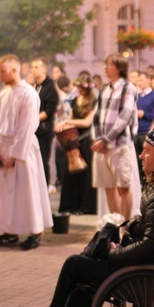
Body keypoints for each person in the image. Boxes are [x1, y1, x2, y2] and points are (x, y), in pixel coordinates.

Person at [27, 127, 154, 307]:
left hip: (147, 277)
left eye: (146, 151)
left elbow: (153, 245)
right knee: (97, 246)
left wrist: (113, 253)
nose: (140, 155)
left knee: (75, 266)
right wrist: (131, 227)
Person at [0, 55, 53, 250]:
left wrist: (15, 155)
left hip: (22, 149)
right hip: (3, 147)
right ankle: (10, 231)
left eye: (3, 71)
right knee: (6, 195)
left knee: (27, 191)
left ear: (14, 70)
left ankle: (35, 232)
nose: (0, 75)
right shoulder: (2, 95)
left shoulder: (28, 94)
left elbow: (27, 126)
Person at [91, 53, 138, 220]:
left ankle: (124, 228)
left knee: (123, 187)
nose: (105, 67)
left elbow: (125, 117)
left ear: (119, 67)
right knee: (108, 188)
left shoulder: (128, 88)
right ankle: (115, 225)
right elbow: (96, 116)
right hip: (102, 146)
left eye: (109, 64)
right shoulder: (104, 88)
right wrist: (98, 138)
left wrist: (105, 139)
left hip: (119, 144)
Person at [56, 77, 97, 215]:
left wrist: (68, 122)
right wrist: (64, 126)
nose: (78, 90)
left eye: (81, 87)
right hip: (74, 139)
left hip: (86, 140)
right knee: (71, 171)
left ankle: (85, 207)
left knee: (85, 173)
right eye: (78, 87)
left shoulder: (94, 101)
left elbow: (87, 122)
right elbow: (72, 119)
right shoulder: (75, 101)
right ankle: (71, 205)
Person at [30, 58, 59, 187]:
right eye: (32, 67)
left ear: (44, 69)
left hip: (44, 130)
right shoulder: (34, 87)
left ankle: (45, 188)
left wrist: (32, 119)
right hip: (33, 129)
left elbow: (49, 111)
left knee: (43, 160)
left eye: (36, 67)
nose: (33, 70)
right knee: (34, 161)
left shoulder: (50, 87)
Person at [133, 71, 154, 180]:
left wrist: (144, 114)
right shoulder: (137, 97)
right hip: (136, 131)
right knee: (138, 160)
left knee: (148, 160)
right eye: (138, 80)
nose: (140, 83)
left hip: (147, 130)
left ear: (148, 80)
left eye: (142, 80)